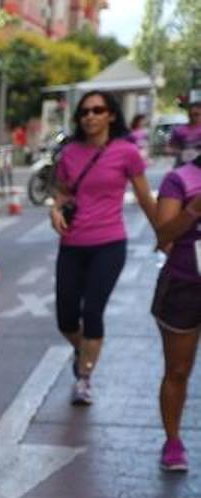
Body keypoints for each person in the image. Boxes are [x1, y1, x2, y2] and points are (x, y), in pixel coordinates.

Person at [51, 91, 157, 405]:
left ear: (111, 115)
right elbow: (61, 192)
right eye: (84, 112)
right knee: (66, 319)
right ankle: (84, 348)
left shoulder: (126, 152)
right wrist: (55, 210)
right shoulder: (69, 153)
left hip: (109, 244)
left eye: (98, 110)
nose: (90, 117)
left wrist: (164, 234)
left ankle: (84, 378)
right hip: (71, 244)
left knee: (92, 311)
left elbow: (144, 197)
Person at [149, 158, 201, 471]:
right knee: (178, 370)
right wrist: (193, 210)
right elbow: (162, 235)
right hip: (184, 286)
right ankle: (173, 441)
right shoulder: (180, 179)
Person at [168, 96, 201, 168]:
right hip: (183, 167)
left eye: (197, 114)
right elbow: (169, 148)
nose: (194, 117)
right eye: (192, 114)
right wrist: (181, 153)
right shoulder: (179, 130)